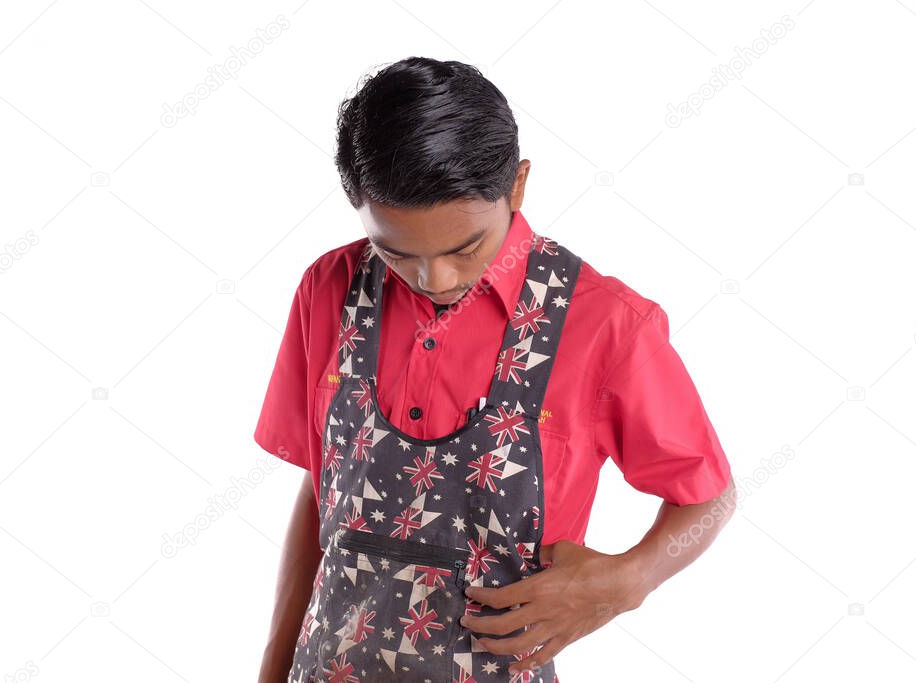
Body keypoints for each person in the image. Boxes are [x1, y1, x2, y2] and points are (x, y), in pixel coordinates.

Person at [255, 56, 735, 682]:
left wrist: (626, 581)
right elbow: (326, 490)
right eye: (396, 251)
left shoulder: (605, 325)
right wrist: (271, 666)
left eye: (464, 247)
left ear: (517, 186)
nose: (436, 280)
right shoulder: (330, 289)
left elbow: (710, 495)